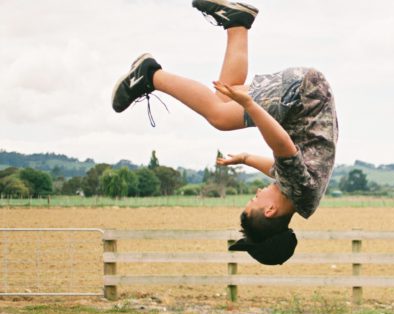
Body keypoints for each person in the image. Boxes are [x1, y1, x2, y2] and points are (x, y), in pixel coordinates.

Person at [111, 1, 338, 265]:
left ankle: (237, 23)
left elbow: (279, 169)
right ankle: (149, 75)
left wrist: (245, 158)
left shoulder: (300, 199)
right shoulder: (299, 190)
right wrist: (249, 104)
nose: (256, 193)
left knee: (223, 94)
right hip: (304, 95)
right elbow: (282, 145)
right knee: (219, 116)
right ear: (270, 210)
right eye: (254, 199)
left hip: (306, 97)